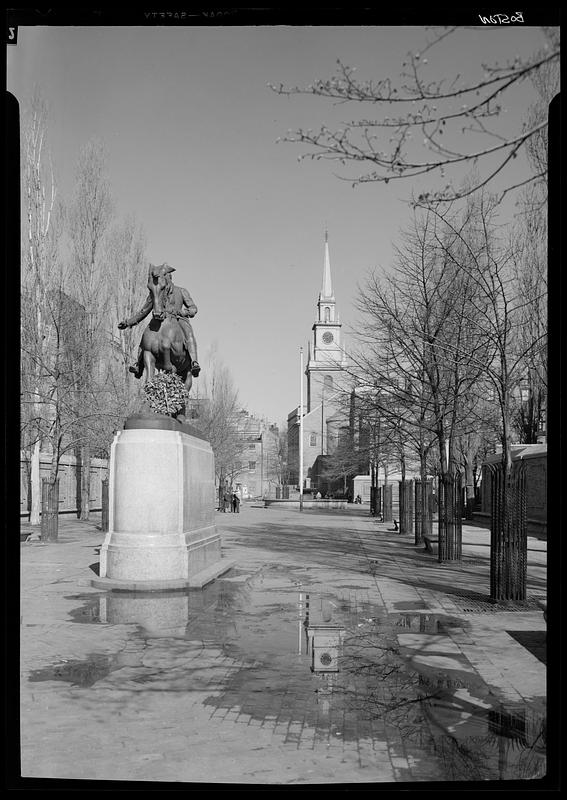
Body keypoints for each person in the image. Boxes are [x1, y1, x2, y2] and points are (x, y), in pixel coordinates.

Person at [118, 263, 200, 379]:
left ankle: (194, 362)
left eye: (165, 277)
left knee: (189, 333)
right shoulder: (157, 293)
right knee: (146, 335)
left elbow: (193, 309)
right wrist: (128, 322)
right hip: (159, 317)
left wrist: (183, 312)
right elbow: (144, 311)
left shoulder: (181, 291)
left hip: (178, 318)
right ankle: (138, 364)